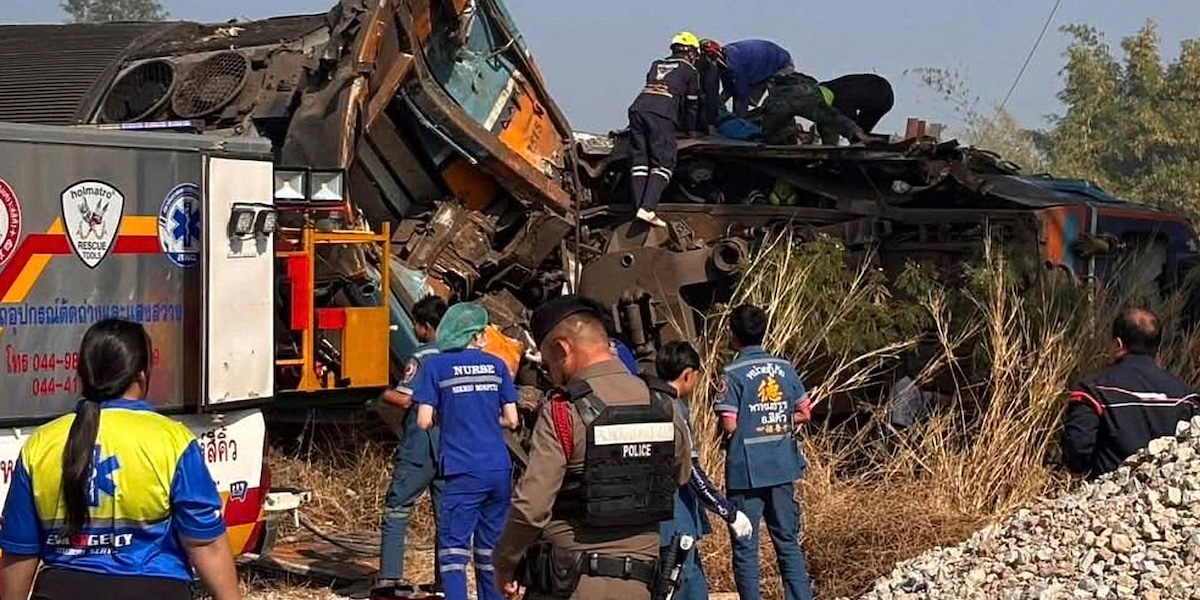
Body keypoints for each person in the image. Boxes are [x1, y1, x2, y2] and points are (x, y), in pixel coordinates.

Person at [0, 319, 240, 600]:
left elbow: (19, 552)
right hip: (155, 592)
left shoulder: (40, 444)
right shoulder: (173, 441)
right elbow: (205, 543)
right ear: (141, 374)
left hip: (61, 591)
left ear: (82, 374)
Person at [492, 295, 692, 600]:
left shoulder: (564, 410)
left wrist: (505, 562)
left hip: (569, 584)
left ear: (562, 349)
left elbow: (532, 506)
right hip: (642, 584)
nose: (550, 372)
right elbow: (680, 475)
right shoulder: (663, 403)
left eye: (549, 362)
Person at [412, 302, 521, 600]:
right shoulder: (497, 366)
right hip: (498, 469)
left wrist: (449, 417)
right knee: (489, 550)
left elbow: (423, 421)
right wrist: (485, 418)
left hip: (462, 468)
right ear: (475, 335)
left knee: (453, 552)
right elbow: (512, 420)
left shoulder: (436, 366)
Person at [713, 304, 815, 600]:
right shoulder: (784, 367)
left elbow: (729, 424)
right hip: (783, 464)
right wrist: (779, 420)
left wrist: (750, 423)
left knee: (746, 544)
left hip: (746, 471)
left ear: (733, 335)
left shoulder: (731, 373)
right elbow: (805, 412)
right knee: (787, 541)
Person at [651, 341, 753, 600]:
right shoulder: (674, 409)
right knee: (681, 586)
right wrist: (728, 511)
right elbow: (692, 474)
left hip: (662, 518)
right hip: (676, 521)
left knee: (691, 584)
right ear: (688, 374)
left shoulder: (650, 401)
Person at [1061, 306, 1199, 478]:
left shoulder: (1093, 392)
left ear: (1118, 344)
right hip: (1170, 492)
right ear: (1157, 348)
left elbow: (1076, 456)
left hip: (1112, 492)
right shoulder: (1187, 397)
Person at [374, 294, 449, 596]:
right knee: (447, 516)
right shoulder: (459, 354)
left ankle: (389, 578)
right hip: (451, 445)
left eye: (416, 325)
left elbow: (405, 399)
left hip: (421, 444)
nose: (416, 330)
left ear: (426, 326)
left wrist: (378, 391)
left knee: (397, 507)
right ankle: (445, 581)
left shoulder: (422, 357)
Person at [699, 38, 869, 146]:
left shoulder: (735, 65)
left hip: (779, 67)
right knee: (828, 116)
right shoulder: (728, 59)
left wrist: (739, 120)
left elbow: (741, 96)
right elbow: (730, 89)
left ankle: (791, 135)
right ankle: (855, 133)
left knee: (769, 126)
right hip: (792, 82)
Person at [626, 31, 703, 228]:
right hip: (661, 113)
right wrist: (690, 130)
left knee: (640, 161)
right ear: (691, 52)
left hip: (638, 109)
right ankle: (648, 208)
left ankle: (639, 208)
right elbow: (691, 104)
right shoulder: (690, 71)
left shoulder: (656, 64)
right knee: (664, 162)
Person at [817, 73, 894, 139]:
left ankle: (862, 139)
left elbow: (845, 118)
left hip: (876, 91)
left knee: (855, 132)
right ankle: (884, 140)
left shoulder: (837, 97)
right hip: (886, 97)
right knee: (860, 133)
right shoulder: (835, 90)